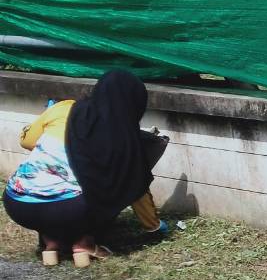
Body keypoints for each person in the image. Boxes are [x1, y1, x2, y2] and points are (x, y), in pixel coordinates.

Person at [3, 70, 164, 265]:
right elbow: (135, 188)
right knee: (108, 189)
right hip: (70, 209)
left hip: (17, 202)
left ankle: (51, 242)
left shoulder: (63, 109)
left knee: (53, 190)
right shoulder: (124, 140)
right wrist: (153, 226)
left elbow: (27, 141)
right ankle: (83, 243)